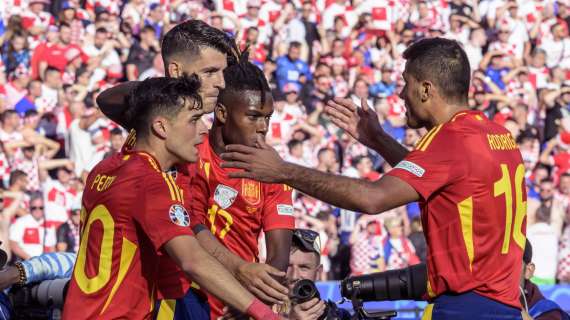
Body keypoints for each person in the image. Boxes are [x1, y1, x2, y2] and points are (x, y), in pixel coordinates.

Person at [221, 37, 527, 318]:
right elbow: (440, 181)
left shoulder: (449, 138)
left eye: (406, 83)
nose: (400, 93)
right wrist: (378, 140)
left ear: (426, 89)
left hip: (464, 306)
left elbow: (373, 198)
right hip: (505, 304)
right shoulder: (497, 135)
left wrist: (283, 171)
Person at [97, 20, 289, 318]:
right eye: (211, 72)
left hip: (207, 292)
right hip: (161, 291)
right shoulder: (166, 134)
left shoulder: (189, 138)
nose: (221, 83)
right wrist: (173, 94)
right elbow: (105, 99)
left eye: (222, 73)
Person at [63, 76, 278, 319]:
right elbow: (193, 260)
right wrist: (266, 314)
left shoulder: (105, 168)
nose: (203, 129)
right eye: (194, 120)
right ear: (161, 127)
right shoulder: (153, 182)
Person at [188, 55, 294, 319]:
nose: (263, 128)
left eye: (268, 118)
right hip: (185, 299)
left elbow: (279, 257)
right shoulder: (189, 154)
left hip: (238, 307)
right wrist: (236, 269)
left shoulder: (273, 171)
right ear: (222, 113)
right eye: (253, 116)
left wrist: (254, 301)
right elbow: (191, 225)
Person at [284, 228, 351, 320]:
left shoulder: (339, 317)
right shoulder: (259, 311)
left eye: (304, 267)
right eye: (287, 266)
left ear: (318, 273)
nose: (294, 276)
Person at [521, 240, 569, 320]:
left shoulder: (549, 313)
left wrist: (515, 309)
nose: (499, 273)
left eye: (509, 265)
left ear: (528, 271)